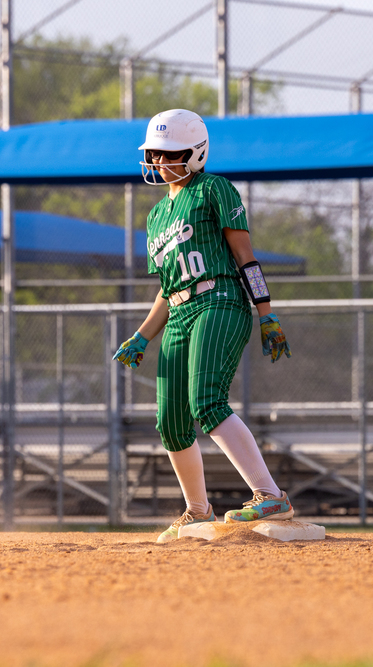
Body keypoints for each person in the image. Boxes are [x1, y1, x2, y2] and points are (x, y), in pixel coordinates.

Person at [113, 108, 294, 543]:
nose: (158, 162)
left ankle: (270, 495)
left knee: (206, 401)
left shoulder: (214, 189)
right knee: (170, 420)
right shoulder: (157, 216)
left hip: (219, 300)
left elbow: (245, 256)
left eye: (168, 153)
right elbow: (167, 288)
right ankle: (197, 510)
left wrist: (266, 313)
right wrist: (142, 334)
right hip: (178, 313)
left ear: (195, 153)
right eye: (154, 154)